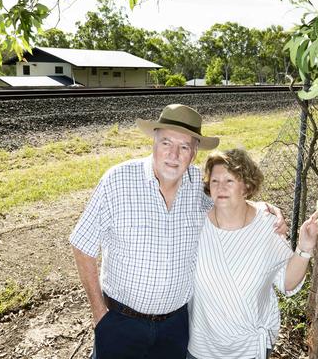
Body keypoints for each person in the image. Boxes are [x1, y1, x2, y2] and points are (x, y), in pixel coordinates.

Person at [69, 104, 288, 359]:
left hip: (176, 327)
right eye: (166, 143)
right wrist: (99, 314)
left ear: (194, 152)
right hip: (121, 322)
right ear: (154, 141)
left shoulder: (200, 188)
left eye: (184, 147)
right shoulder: (117, 181)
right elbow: (82, 245)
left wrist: (264, 209)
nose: (173, 154)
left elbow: (232, 202)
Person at [187, 148, 318, 359]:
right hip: (203, 347)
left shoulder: (266, 226)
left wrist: (305, 247)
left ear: (246, 187)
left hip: (249, 349)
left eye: (229, 181)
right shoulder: (195, 225)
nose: (220, 187)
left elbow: (287, 282)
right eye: (214, 181)